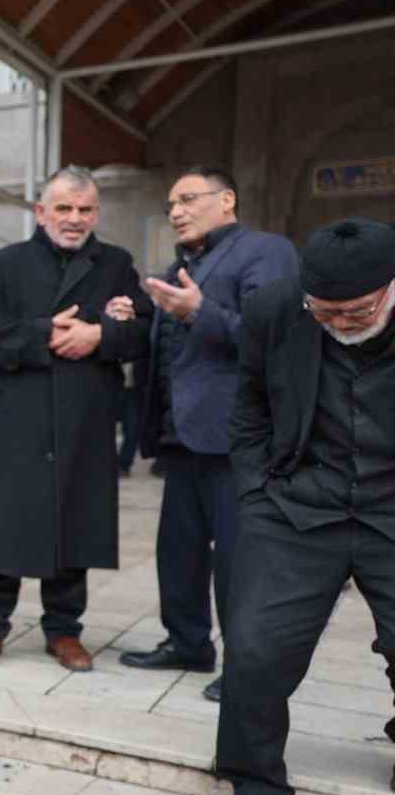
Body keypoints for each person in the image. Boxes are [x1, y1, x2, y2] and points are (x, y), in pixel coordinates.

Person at [211, 218, 395, 795]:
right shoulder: (274, 309)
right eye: (325, 312)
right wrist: (257, 492)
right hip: (297, 504)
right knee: (255, 645)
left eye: (357, 311)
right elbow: (251, 406)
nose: (340, 322)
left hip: (391, 507)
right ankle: (255, 785)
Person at [0, 166, 153, 672]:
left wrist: (101, 337)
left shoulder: (115, 264)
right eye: (64, 208)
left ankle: (64, 631)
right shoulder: (4, 265)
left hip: (84, 419)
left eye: (85, 209)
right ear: (41, 212)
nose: (74, 218)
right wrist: (46, 332)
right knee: (6, 527)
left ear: (97, 214)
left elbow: (144, 330)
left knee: (76, 523)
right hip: (20, 419)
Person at [120, 166, 299, 701]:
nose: (176, 210)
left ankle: (247, 664)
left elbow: (274, 341)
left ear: (227, 200)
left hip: (236, 440)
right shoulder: (183, 264)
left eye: (188, 199)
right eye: (172, 203)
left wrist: (200, 310)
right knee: (179, 550)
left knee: (239, 559)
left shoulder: (264, 252)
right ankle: (188, 643)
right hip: (182, 437)